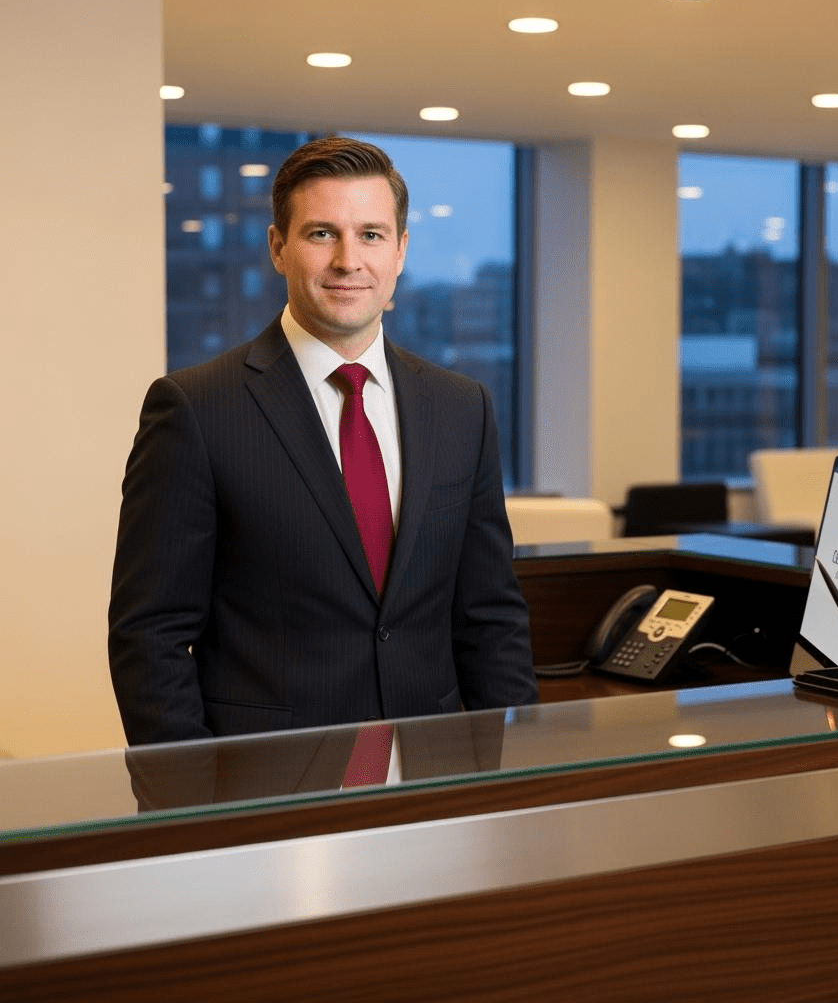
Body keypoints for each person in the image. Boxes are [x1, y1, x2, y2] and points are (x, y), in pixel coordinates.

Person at [109, 136, 537, 745]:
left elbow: (490, 616)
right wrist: (190, 804)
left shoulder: (462, 407)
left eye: (370, 234)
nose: (348, 261)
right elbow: (147, 634)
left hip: (431, 775)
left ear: (401, 250)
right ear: (278, 248)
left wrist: (519, 776)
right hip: (267, 787)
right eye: (320, 234)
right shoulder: (196, 409)